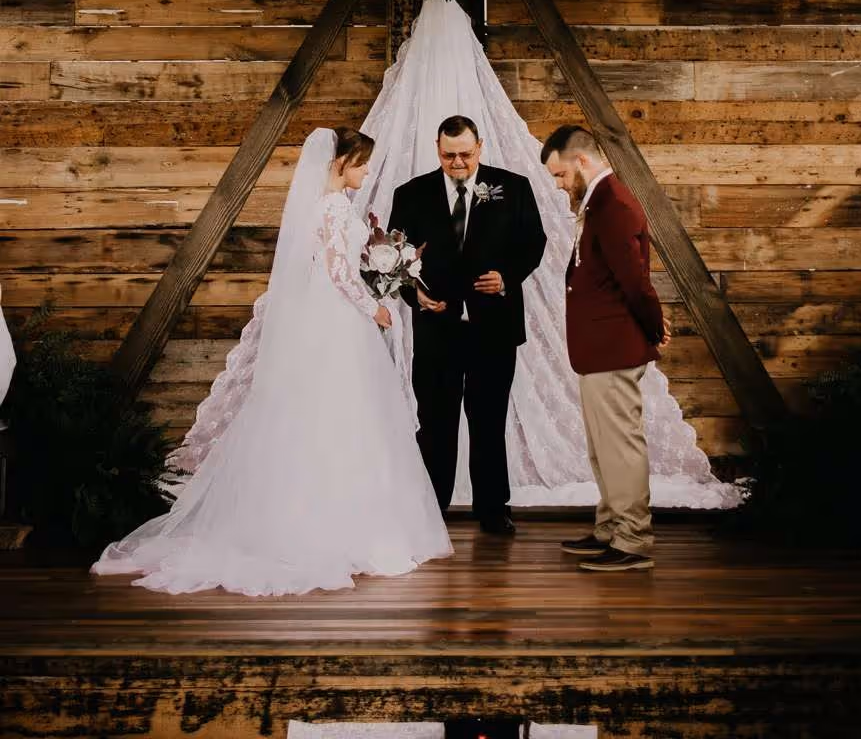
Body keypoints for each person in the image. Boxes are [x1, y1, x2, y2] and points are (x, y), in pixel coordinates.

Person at [92, 127, 452, 594]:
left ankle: (337, 519)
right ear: (340, 163)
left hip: (327, 318)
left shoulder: (324, 206)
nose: (367, 172)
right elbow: (339, 273)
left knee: (335, 417)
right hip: (338, 321)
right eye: (361, 164)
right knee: (343, 417)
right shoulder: (333, 207)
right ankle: (339, 528)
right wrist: (374, 307)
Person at [389, 114, 547, 534]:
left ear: (480, 147)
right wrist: (414, 294)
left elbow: (534, 242)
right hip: (437, 329)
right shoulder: (411, 194)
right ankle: (431, 508)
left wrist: (507, 277)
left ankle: (493, 508)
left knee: (489, 419)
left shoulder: (512, 187)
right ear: (437, 149)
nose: (457, 163)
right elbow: (394, 255)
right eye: (448, 155)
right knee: (436, 421)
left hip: (493, 327)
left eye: (464, 154)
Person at [542, 125, 668, 573]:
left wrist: (654, 329)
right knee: (602, 447)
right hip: (599, 349)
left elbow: (634, 281)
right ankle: (610, 527)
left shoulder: (613, 204)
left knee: (620, 446)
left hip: (614, 348)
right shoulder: (597, 202)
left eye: (560, 175)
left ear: (581, 161)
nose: (559, 186)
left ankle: (633, 539)